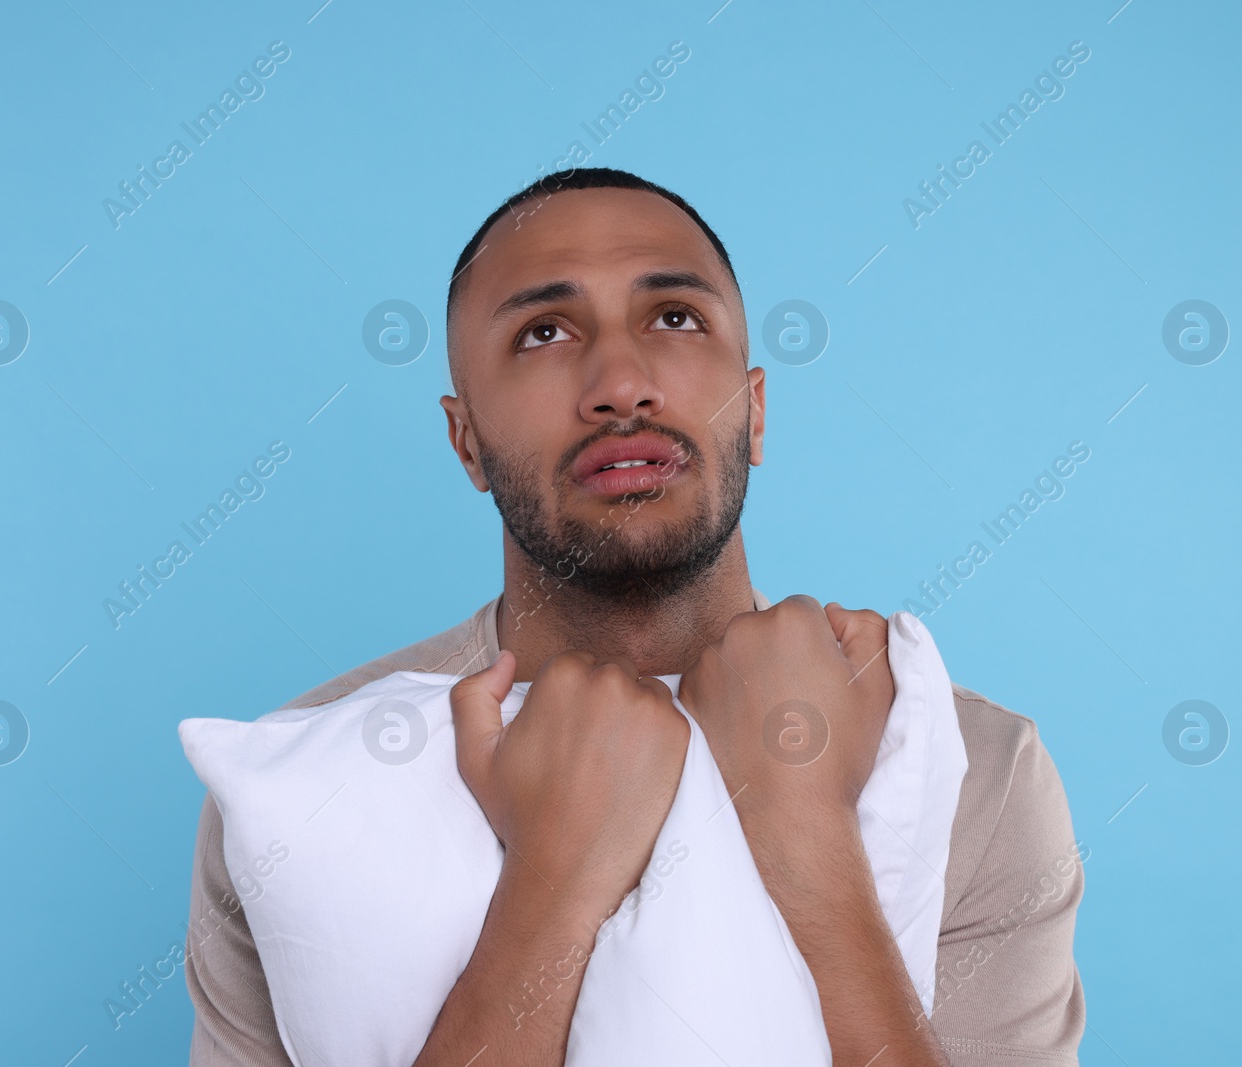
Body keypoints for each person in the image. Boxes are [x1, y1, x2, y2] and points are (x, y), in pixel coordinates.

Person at [184, 168, 1085, 1066]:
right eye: (543, 332)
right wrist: (553, 885)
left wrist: (806, 831)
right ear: (468, 445)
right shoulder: (305, 787)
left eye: (675, 317)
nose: (621, 384)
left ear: (756, 411)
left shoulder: (976, 766)